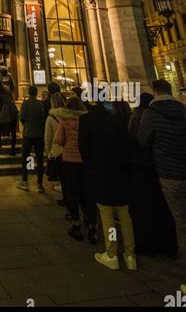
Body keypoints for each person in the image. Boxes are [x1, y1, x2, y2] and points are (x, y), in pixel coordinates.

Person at [79, 98, 137, 270]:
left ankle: (112, 253)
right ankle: (130, 255)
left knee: (106, 213)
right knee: (124, 213)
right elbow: (129, 144)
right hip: (120, 171)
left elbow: (83, 148)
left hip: (99, 171)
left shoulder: (87, 119)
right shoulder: (119, 120)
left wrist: (89, 166)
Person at [138, 79, 186, 276]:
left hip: (168, 172)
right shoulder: (183, 110)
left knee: (180, 220)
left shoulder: (152, 113)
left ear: (155, 91)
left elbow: (142, 140)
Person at [129, 92, 177, 257]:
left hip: (145, 169)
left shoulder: (140, 119)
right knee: (167, 210)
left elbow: (139, 141)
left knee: (147, 207)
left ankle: (148, 243)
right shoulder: (180, 113)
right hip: (167, 169)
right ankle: (169, 245)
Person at [54, 96, 94, 242]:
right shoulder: (87, 120)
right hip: (85, 160)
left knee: (71, 191)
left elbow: (58, 140)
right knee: (86, 192)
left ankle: (75, 223)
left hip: (70, 160)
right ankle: (92, 225)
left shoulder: (64, 120)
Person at [17, 85, 46, 193]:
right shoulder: (40, 104)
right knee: (39, 159)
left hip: (28, 134)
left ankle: (25, 181)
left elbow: (21, 118)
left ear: (29, 93)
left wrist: (26, 125)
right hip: (39, 135)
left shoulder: (26, 103)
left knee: (25, 157)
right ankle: (39, 184)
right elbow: (43, 118)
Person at [44, 91, 66, 201]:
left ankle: (67, 199)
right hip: (68, 150)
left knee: (62, 175)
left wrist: (48, 152)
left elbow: (48, 137)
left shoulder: (51, 118)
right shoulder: (70, 116)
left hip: (57, 150)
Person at [0, 74, 18, 156]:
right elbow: (12, 98)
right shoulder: (6, 88)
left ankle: (0, 142)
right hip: (12, 110)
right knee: (13, 130)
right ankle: (13, 148)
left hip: (4, 111)